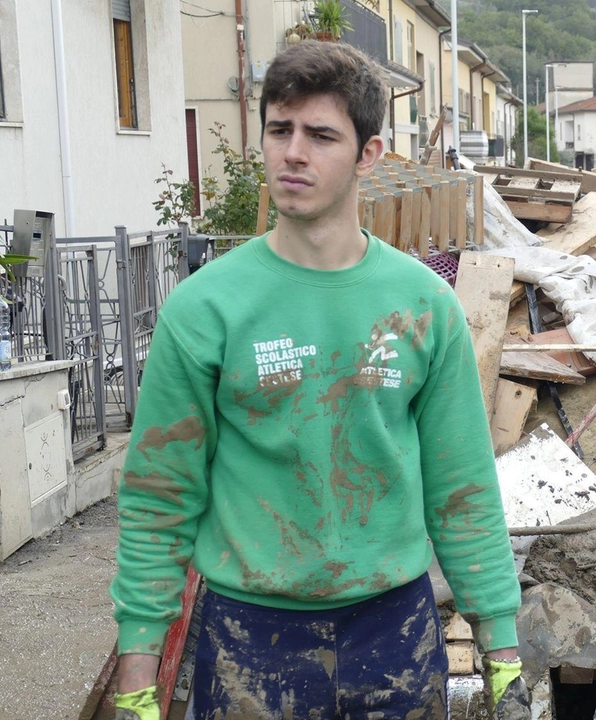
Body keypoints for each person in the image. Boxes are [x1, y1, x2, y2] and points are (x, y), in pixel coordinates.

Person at [110, 41, 527, 720]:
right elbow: (160, 495)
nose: (293, 153)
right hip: (250, 642)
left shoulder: (424, 306)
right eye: (280, 130)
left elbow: (462, 489)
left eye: (320, 135)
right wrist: (137, 671)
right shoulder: (206, 308)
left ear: (369, 154)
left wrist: (501, 649)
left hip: (395, 638)